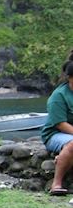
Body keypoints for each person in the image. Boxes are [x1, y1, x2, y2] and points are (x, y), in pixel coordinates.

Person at [41, 51, 73, 196]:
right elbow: (61, 124)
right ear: (70, 78)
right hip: (55, 133)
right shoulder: (58, 96)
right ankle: (56, 184)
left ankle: (61, 157)